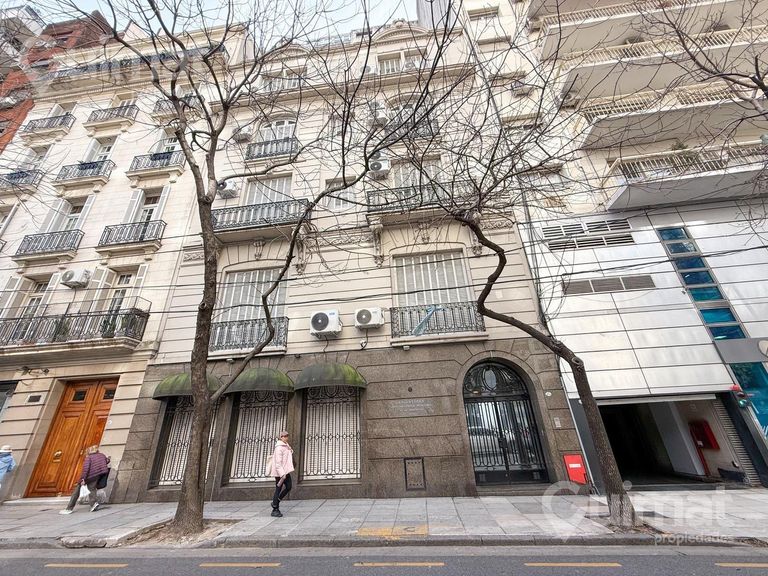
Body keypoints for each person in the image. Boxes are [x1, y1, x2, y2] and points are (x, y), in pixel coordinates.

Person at [60, 445, 110, 514]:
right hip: (97, 475)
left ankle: (69, 508)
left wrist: (83, 478)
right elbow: (106, 461)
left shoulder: (89, 457)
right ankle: (93, 504)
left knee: (76, 491)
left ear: (89, 451)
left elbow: (86, 469)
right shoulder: (102, 455)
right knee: (92, 489)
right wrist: (108, 459)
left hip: (89, 476)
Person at [267, 431, 294, 517]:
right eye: (284, 436)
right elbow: (278, 463)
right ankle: (275, 509)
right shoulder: (279, 447)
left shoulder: (285, 445)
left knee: (289, 486)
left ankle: (276, 501)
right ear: (281, 437)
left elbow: (289, 454)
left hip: (285, 471)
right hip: (280, 473)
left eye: (287, 436)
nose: (286, 438)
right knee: (278, 489)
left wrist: (290, 450)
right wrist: (282, 474)